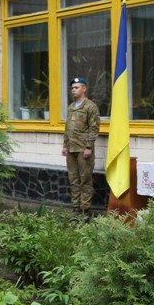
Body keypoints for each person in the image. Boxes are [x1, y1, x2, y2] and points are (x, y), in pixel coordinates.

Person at [62, 77, 100, 216]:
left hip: (83, 149)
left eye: (76, 87)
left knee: (85, 180)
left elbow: (94, 128)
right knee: (73, 180)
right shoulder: (71, 107)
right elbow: (67, 128)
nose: (73, 90)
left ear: (84, 89)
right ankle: (76, 208)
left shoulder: (90, 107)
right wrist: (65, 145)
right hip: (71, 148)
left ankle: (85, 210)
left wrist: (89, 147)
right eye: (72, 88)